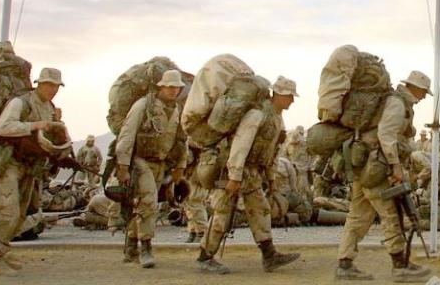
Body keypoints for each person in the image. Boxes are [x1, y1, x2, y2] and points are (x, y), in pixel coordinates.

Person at [196, 76, 301, 274]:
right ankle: (205, 256)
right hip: (233, 171)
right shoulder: (256, 115)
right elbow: (240, 145)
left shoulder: (277, 118)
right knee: (222, 214)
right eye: (289, 96)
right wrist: (234, 177)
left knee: (260, 210)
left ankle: (269, 255)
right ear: (277, 94)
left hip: (252, 172)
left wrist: (271, 179)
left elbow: (272, 150)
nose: (292, 101)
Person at [336, 70, 432, 282]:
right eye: (424, 91)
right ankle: (400, 265)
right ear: (414, 88)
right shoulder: (397, 104)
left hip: (366, 165)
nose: (424, 96)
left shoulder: (394, 101)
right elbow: (386, 135)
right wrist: (395, 166)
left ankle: (344, 263)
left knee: (358, 215)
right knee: (391, 214)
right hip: (376, 166)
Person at [0, 67, 69, 275]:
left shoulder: (49, 107)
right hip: (9, 163)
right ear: (38, 84)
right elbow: (3, 128)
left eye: (56, 86)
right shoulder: (20, 102)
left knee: (22, 214)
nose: (52, 90)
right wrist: (35, 125)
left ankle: (1, 251)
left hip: (30, 166)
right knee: (9, 211)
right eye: (49, 85)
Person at [115, 69, 187, 268]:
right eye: (170, 87)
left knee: (143, 205)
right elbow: (127, 134)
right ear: (161, 87)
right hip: (140, 161)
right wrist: (122, 165)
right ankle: (146, 247)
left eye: (177, 88)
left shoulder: (177, 111)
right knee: (149, 203)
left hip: (161, 164)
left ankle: (130, 246)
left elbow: (182, 140)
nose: (174, 91)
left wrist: (180, 166)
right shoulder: (143, 106)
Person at [182, 145, 209, 243]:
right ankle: (193, 231)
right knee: (188, 204)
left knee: (195, 201)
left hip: (198, 167)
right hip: (190, 170)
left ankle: (202, 232)